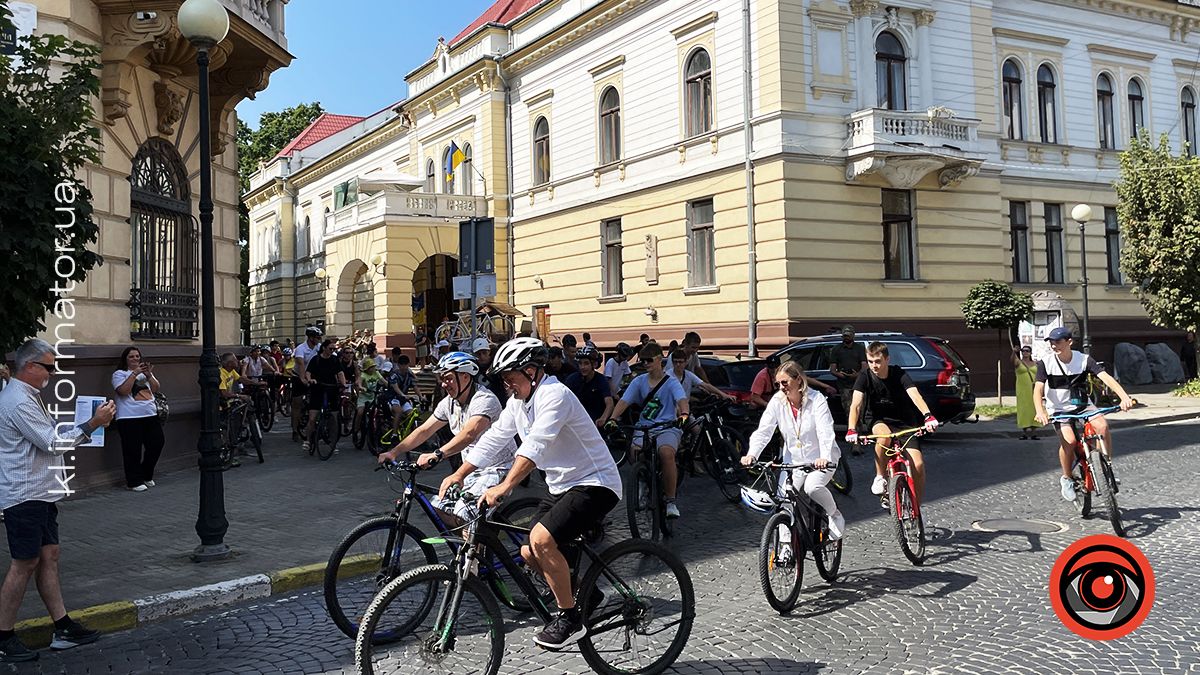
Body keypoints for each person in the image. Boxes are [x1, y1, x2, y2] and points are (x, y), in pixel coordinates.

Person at [467, 338, 622, 648]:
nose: (507, 385)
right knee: (528, 552)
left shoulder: (556, 395)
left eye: (510, 378)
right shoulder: (518, 402)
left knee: (541, 540)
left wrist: (505, 485)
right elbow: (495, 438)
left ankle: (569, 618)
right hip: (561, 485)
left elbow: (535, 446)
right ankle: (587, 595)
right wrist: (459, 473)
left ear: (530, 371)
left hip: (596, 482)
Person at [0, 339, 114, 661]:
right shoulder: (18, 401)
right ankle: (3, 636)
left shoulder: (27, 396)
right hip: (24, 495)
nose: (53, 373)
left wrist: (85, 423)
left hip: (40, 491)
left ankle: (62, 626)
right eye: (49, 367)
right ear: (31, 366)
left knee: (49, 555)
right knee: (24, 563)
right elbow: (51, 443)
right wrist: (93, 424)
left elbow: (44, 436)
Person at [378, 352, 516, 518]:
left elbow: (469, 434)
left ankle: (478, 542)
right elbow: (424, 430)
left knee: (465, 513)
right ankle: (473, 540)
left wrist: (438, 454)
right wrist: (394, 452)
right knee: (438, 506)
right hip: (472, 469)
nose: (444, 384)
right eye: (442, 379)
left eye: (448, 378)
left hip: (497, 468)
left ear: (465, 376)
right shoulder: (449, 402)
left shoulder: (484, 400)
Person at [741, 359, 845, 546]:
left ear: (798, 380)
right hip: (793, 462)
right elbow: (764, 430)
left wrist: (825, 457)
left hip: (820, 459)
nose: (781, 387)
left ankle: (834, 515)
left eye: (785, 383)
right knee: (783, 502)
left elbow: (825, 431)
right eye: (778, 384)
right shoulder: (777, 401)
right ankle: (786, 547)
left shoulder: (817, 400)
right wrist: (752, 454)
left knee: (812, 487)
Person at [1033, 327, 1134, 502]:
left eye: (1057, 342)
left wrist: (1124, 397)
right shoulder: (1046, 362)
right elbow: (1038, 389)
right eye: (1051, 342)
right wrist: (1040, 411)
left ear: (1069, 342)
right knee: (1070, 441)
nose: (1053, 345)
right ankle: (1066, 478)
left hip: (1082, 405)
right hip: (1058, 408)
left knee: (1102, 426)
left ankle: (1105, 467)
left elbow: (1106, 378)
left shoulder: (1084, 360)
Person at [845, 342, 940, 509]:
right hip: (878, 420)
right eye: (870, 361)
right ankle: (880, 477)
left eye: (878, 361)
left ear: (887, 359)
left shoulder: (899, 374)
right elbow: (856, 405)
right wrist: (852, 428)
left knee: (917, 465)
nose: (874, 365)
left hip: (905, 422)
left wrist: (928, 416)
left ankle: (916, 508)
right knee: (884, 436)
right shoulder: (865, 377)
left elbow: (915, 395)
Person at [608, 342, 689, 519]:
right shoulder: (638, 381)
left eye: (649, 360)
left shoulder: (671, 382)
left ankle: (670, 501)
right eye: (643, 360)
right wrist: (613, 418)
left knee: (666, 454)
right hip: (644, 427)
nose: (645, 364)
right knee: (635, 452)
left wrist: (684, 414)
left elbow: (682, 399)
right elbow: (624, 402)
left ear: (660, 359)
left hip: (667, 427)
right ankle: (643, 480)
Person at [112, 347, 164, 492]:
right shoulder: (119, 374)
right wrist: (134, 374)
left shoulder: (145, 374)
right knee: (132, 450)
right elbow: (123, 391)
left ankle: (146, 475)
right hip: (129, 417)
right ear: (125, 359)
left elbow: (155, 389)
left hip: (150, 414)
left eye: (137, 356)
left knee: (157, 443)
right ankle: (133, 481)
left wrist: (149, 375)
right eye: (131, 357)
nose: (135, 359)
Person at [301, 339, 347, 454]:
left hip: (332, 388)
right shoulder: (316, 359)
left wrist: (343, 383)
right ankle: (307, 440)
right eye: (330, 349)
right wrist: (310, 379)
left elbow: (340, 372)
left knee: (334, 418)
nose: (332, 351)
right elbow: (308, 372)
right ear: (324, 348)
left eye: (334, 349)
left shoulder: (335, 359)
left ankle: (333, 443)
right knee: (312, 418)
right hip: (318, 388)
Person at [751, 354, 836, 409]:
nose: (774, 370)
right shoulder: (762, 377)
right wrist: (768, 405)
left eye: (776, 367)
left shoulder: (785, 372)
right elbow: (754, 397)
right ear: (767, 366)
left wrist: (825, 386)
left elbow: (806, 379)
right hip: (766, 405)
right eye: (771, 367)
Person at [563, 346, 614, 427]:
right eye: (580, 363)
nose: (582, 367)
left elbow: (609, 402)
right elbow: (564, 399)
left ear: (594, 364)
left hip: (596, 423)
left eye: (586, 363)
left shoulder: (601, 380)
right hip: (576, 422)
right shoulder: (572, 379)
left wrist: (603, 418)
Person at [291, 327, 323, 441]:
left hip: (312, 376)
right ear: (310, 338)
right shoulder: (301, 349)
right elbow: (301, 365)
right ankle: (295, 430)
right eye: (317, 337)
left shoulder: (319, 347)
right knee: (297, 403)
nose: (319, 340)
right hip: (298, 375)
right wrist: (303, 379)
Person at [829, 325, 867, 416]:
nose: (846, 338)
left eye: (848, 335)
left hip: (859, 383)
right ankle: (852, 429)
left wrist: (857, 375)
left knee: (860, 410)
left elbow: (865, 366)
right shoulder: (836, 349)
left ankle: (861, 429)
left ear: (853, 336)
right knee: (849, 410)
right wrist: (840, 374)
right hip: (844, 385)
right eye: (845, 335)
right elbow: (833, 369)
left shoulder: (860, 348)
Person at [668, 349, 735, 401]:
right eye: (675, 362)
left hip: (684, 410)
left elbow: (705, 385)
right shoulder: (667, 375)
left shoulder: (688, 375)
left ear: (685, 362)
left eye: (680, 362)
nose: (678, 365)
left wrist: (723, 395)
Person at [1013, 345, 1039, 439]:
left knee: (1034, 408)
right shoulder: (1018, 362)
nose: (1025, 352)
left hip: (1033, 388)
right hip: (1022, 389)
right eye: (1023, 351)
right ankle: (1024, 432)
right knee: (1023, 409)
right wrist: (1014, 352)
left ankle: (1034, 432)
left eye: (1027, 351)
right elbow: (1012, 360)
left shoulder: (1035, 363)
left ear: (1030, 352)